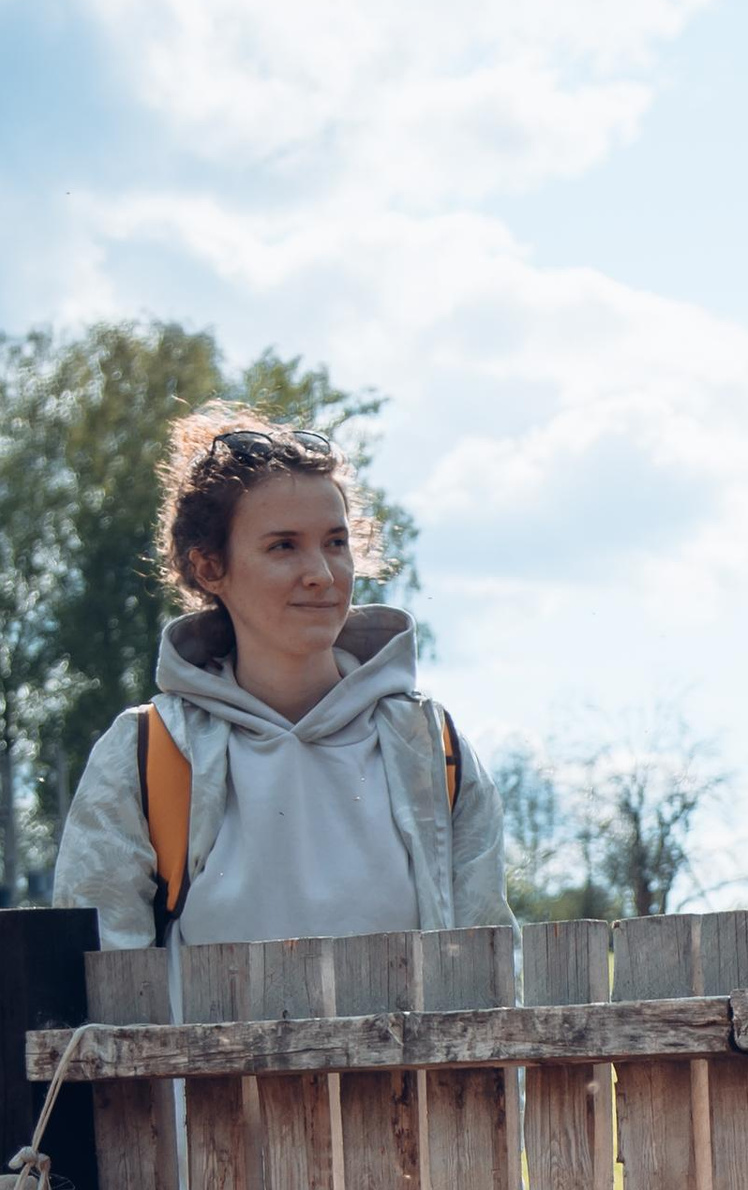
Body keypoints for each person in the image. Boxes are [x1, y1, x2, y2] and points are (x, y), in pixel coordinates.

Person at [55, 406, 509, 949]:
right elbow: (99, 980)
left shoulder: (432, 748)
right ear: (210, 568)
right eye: (283, 546)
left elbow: (485, 970)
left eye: (336, 542)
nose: (321, 574)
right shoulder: (147, 755)